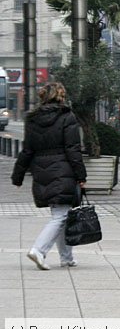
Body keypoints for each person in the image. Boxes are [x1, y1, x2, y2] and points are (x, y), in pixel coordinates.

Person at [11, 82, 86, 270]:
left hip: (41, 171)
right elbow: (73, 149)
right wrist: (81, 175)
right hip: (63, 169)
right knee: (60, 215)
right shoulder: (67, 116)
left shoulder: (33, 119)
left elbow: (27, 150)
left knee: (62, 213)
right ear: (60, 96)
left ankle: (66, 257)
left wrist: (18, 176)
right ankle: (38, 250)